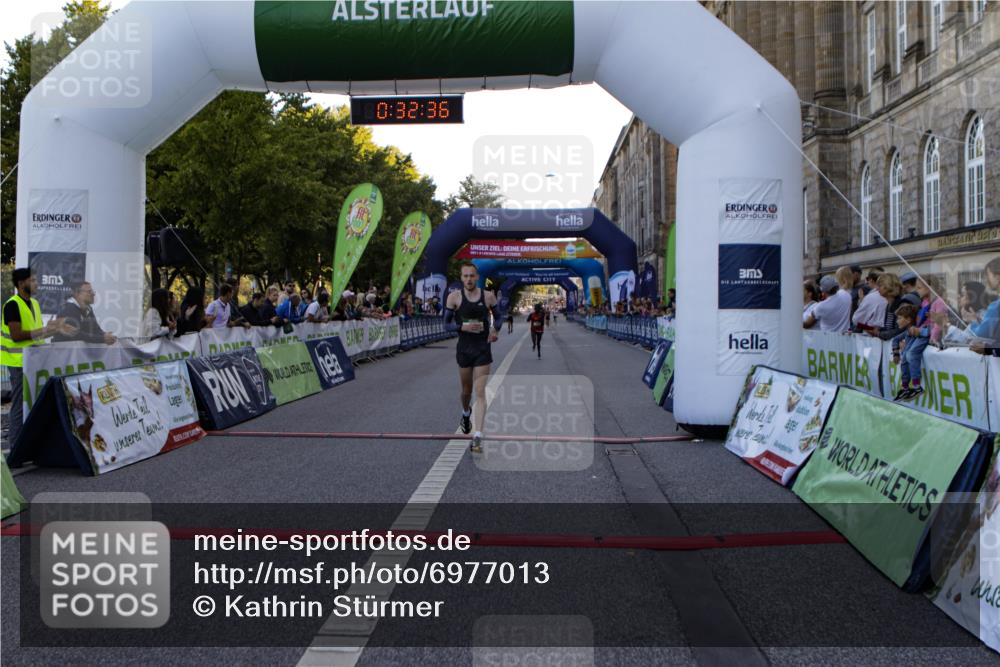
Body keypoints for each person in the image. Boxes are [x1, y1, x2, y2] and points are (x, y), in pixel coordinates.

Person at [2, 268, 76, 444]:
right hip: (18, 362)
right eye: (33, 280)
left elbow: (36, 334)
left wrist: (54, 329)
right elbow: (17, 335)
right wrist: (47, 329)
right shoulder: (12, 305)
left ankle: (28, 444)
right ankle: (15, 446)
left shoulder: (34, 303)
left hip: (34, 361)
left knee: (33, 403)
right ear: (21, 284)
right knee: (20, 404)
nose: (37, 284)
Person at [443, 262, 501, 453]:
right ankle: (465, 413)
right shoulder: (454, 298)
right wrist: (462, 327)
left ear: (477, 277)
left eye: (472, 276)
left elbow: (499, 317)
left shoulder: (488, 296)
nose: (469, 279)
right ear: (461, 278)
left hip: (482, 349)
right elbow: (446, 324)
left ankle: (478, 436)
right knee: (466, 390)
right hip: (464, 349)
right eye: (465, 276)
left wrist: (495, 328)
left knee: (480, 391)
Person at [52, 281, 117, 345]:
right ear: (77, 294)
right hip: (64, 353)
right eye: (89, 292)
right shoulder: (69, 308)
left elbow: (96, 330)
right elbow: (76, 335)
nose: (93, 294)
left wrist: (106, 335)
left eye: (92, 291)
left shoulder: (88, 309)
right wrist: (102, 339)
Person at [892, 303, 926, 401]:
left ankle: (916, 386)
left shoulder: (915, 330)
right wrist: (896, 353)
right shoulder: (907, 331)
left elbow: (926, 334)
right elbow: (895, 339)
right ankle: (905, 388)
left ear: (908, 320)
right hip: (905, 360)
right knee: (904, 359)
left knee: (908, 355)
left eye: (899, 318)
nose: (897, 321)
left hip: (910, 357)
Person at [803, 268, 852, 332]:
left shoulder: (821, 306)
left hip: (828, 340)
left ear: (823, 291)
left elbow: (807, 324)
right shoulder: (846, 295)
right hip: (845, 338)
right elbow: (846, 284)